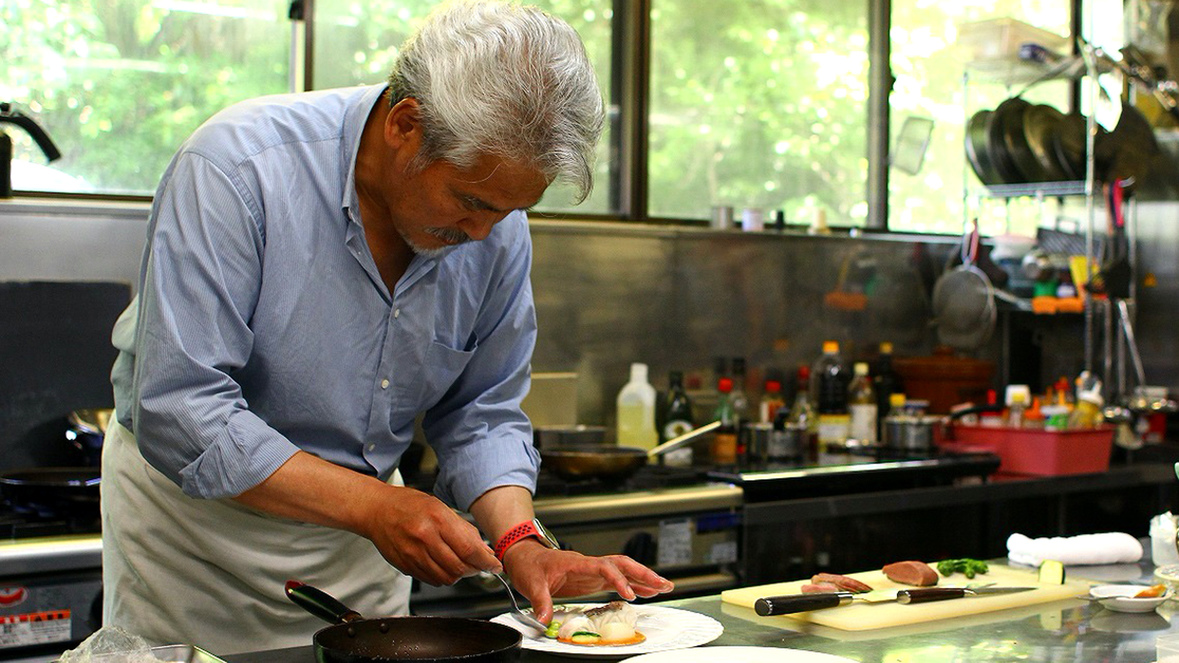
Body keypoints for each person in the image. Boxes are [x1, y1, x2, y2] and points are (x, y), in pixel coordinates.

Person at [101, 0, 672, 654]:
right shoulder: (236, 169)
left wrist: (521, 544)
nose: (484, 234)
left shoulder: (494, 228)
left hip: (361, 543)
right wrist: (374, 506)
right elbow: (183, 407)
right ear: (405, 124)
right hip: (193, 537)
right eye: (470, 201)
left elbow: (480, 410)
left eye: (509, 211)